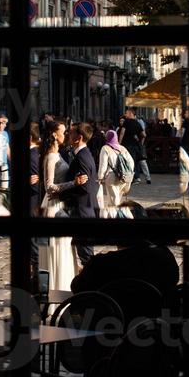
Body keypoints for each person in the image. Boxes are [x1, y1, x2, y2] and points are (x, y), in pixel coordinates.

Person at [38, 121, 78, 292]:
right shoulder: (51, 157)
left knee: (64, 250)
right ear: (54, 134)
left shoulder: (58, 153)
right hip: (53, 205)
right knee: (57, 252)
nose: (66, 134)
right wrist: (73, 183)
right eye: (63, 131)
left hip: (60, 203)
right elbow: (49, 187)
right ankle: (55, 292)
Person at [58, 122, 101, 270]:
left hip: (82, 210)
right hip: (84, 209)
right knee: (85, 253)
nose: (67, 135)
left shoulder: (82, 156)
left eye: (70, 133)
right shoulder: (83, 154)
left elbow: (84, 186)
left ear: (79, 138)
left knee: (86, 256)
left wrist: (62, 192)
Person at [97, 128, 132, 217]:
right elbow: (131, 162)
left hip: (112, 178)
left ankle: (116, 217)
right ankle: (117, 215)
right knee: (118, 199)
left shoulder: (105, 148)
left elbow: (103, 165)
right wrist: (128, 174)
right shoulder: (122, 148)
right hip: (124, 178)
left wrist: (100, 177)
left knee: (113, 201)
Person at [121, 108, 151, 185]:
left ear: (131, 113)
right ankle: (137, 177)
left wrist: (119, 142)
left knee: (127, 161)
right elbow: (144, 135)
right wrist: (140, 142)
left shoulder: (126, 122)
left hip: (127, 145)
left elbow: (122, 133)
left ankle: (131, 177)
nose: (125, 114)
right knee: (135, 161)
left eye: (126, 113)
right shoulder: (138, 123)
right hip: (135, 145)